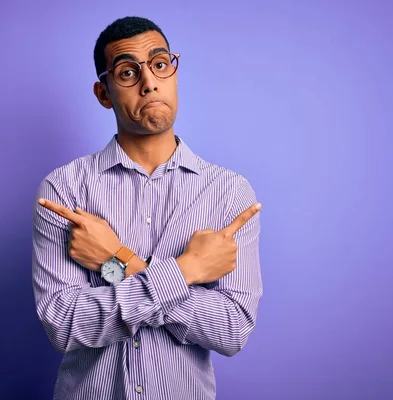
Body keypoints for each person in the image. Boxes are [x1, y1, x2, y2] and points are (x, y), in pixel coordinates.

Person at [31, 16, 263, 400]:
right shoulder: (64, 191)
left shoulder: (229, 193)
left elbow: (232, 330)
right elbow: (64, 325)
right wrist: (187, 270)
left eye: (159, 64)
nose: (149, 82)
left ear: (173, 73)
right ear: (104, 94)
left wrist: (119, 262)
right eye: (127, 72)